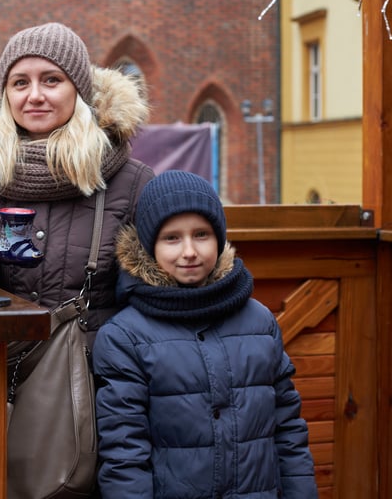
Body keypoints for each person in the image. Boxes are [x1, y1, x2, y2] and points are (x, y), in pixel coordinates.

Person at [93, 170, 318, 498]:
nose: (189, 251)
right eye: (172, 238)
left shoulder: (259, 322)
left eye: (201, 235)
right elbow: (124, 453)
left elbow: (288, 431)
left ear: (219, 238)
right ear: (148, 245)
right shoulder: (124, 337)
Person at [0, 22, 153, 341]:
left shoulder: (131, 180)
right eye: (20, 83)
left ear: (78, 89)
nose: (34, 96)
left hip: (95, 377)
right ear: (6, 94)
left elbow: (150, 298)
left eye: (52, 80)